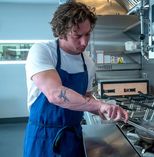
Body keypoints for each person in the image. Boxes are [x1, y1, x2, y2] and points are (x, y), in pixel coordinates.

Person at [23, 1, 128, 157]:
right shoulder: (43, 51)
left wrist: (104, 109)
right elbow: (55, 94)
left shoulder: (88, 62)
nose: (84, 42)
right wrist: (98, 106)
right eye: (77, 35)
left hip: (74, 137)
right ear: (61, 32)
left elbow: (85, 96)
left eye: (87, 34)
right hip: (43, 136)